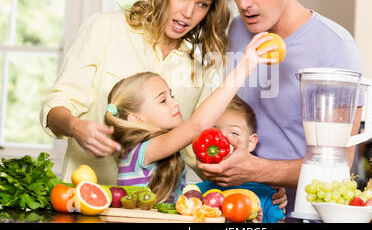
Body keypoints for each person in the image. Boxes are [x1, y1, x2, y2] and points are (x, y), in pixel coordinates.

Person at [197, 0, 365, 219]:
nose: (244, 3)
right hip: (237, 211)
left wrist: (257, 170)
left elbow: (340, 166)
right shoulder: (236, 32)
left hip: (304, 214)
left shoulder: (336, 48)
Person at [40, 0, 232, 185]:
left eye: (203, 4)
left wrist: (252, 185)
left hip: (155, 211)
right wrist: (76, 126)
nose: (189, 12)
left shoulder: (202, 65)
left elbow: (195, 148)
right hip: (86, 200)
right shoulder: (105, 28)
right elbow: (55, 106)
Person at [103, 33, 277, 203]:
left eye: (172, 95)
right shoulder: (142, 151)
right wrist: (243, 68)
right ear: (136, 118)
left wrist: (268, 190)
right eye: (163, 100)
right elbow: (198, 124)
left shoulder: (161, 150)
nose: (175, 103)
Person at [196, 95, 286, 223]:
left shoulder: (272, 197)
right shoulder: (196, 195)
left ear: (250, 143)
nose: (223, 140)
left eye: (234, 133)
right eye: (215, 132)